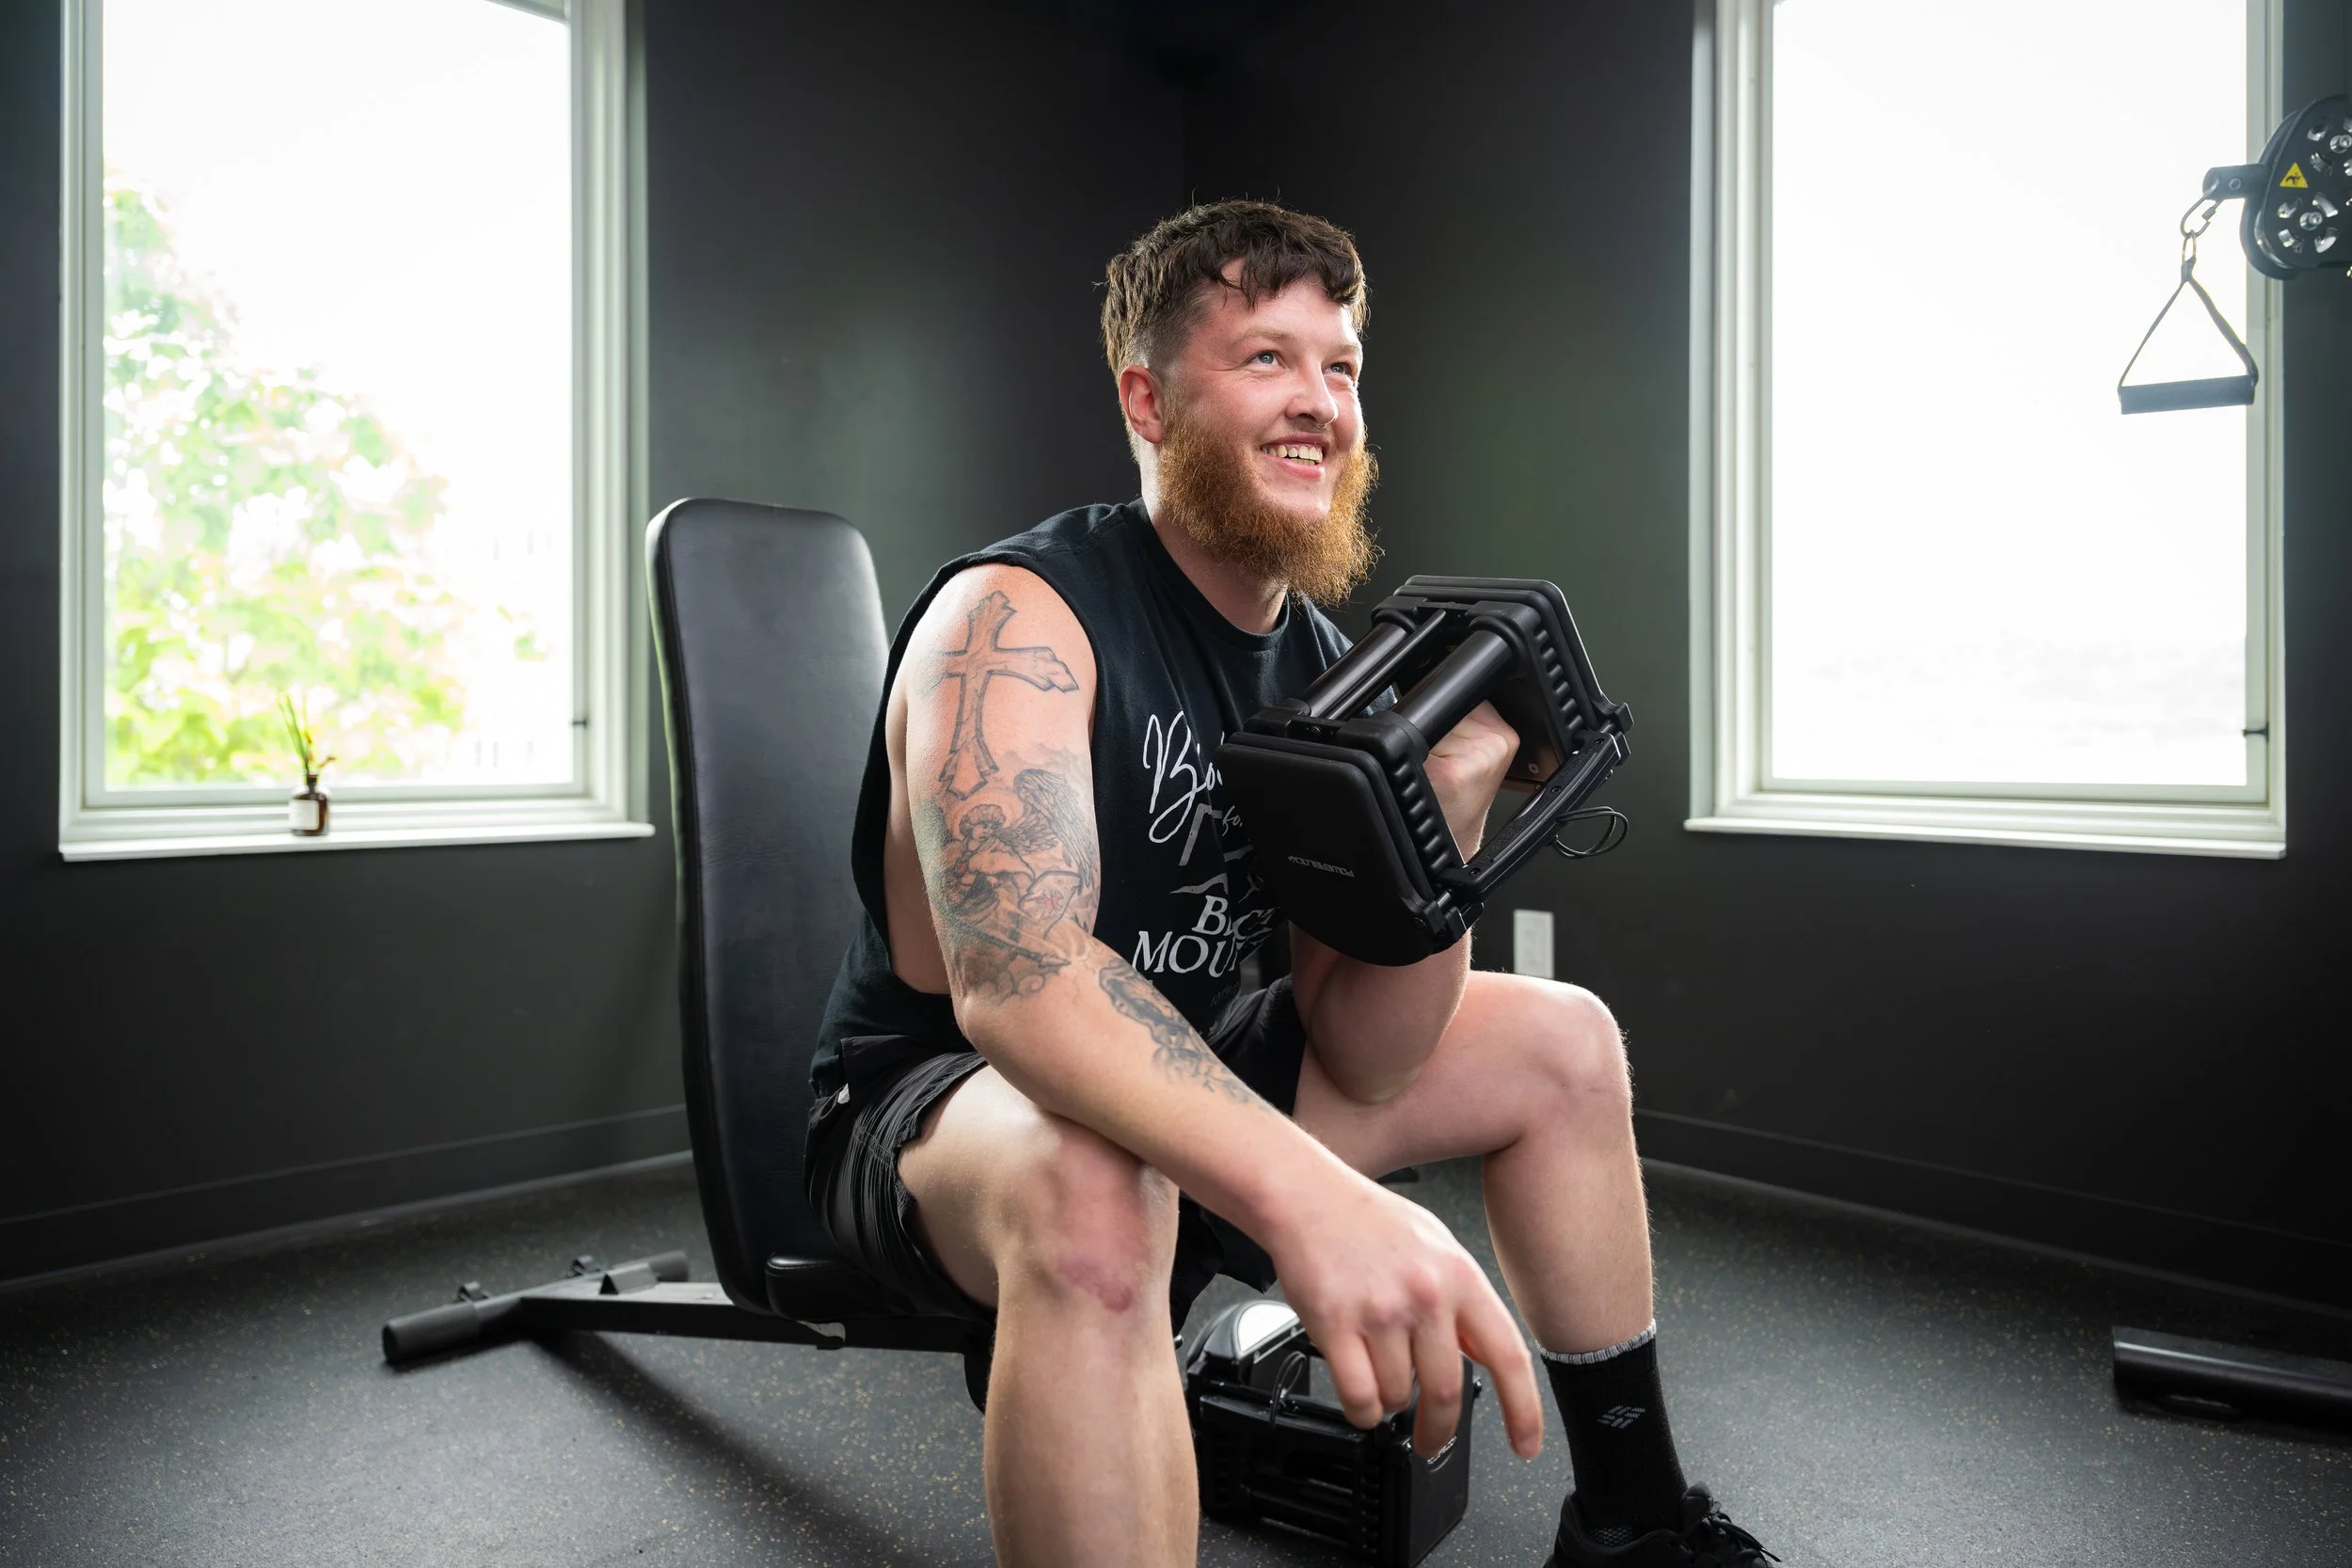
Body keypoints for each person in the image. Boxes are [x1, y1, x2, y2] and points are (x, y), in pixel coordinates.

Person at [805, 199, 1778, 1568]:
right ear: (1148, 397)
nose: (1320, 401)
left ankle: (1631, 1521)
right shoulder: (1019, 617)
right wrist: (1310, 1197)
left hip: (1195, 1056)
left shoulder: (1330, 671)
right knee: (1096, 1183)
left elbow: (1370, 1053)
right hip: (934, 1103)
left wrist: (1443, 824)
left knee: (1564, 1041)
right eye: (1268, 358)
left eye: (1343, 366)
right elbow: (1016, 984)